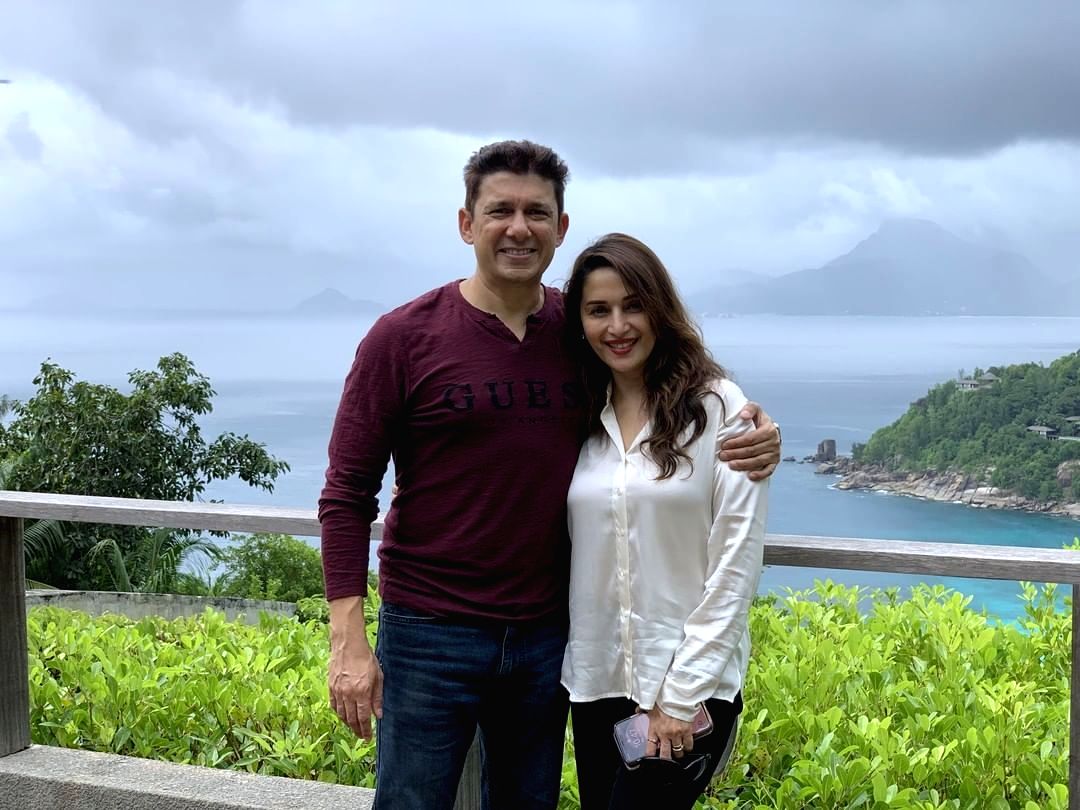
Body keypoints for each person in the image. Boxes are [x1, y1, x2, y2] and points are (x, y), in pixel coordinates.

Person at [318, 140, 779, 810]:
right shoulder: (402, 338)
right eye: (499, 210)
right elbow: (346, 494)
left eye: (536, 212)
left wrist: (752, 425)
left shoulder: (579, 329)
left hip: (544, 637)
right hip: (428, 631)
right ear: (466, 223)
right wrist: (348, 641)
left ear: (561, 228)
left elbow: (664, 386)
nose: (518, 227)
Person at [560, 233, 769, 810]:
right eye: (598, 310)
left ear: (660, 309)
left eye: (633, 306)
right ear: (580, 322)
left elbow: (735, 563)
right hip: (597, 681)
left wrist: (678, 697)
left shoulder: (719, 409)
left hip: (690, 689)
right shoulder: (579, 415)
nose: (617, 326)